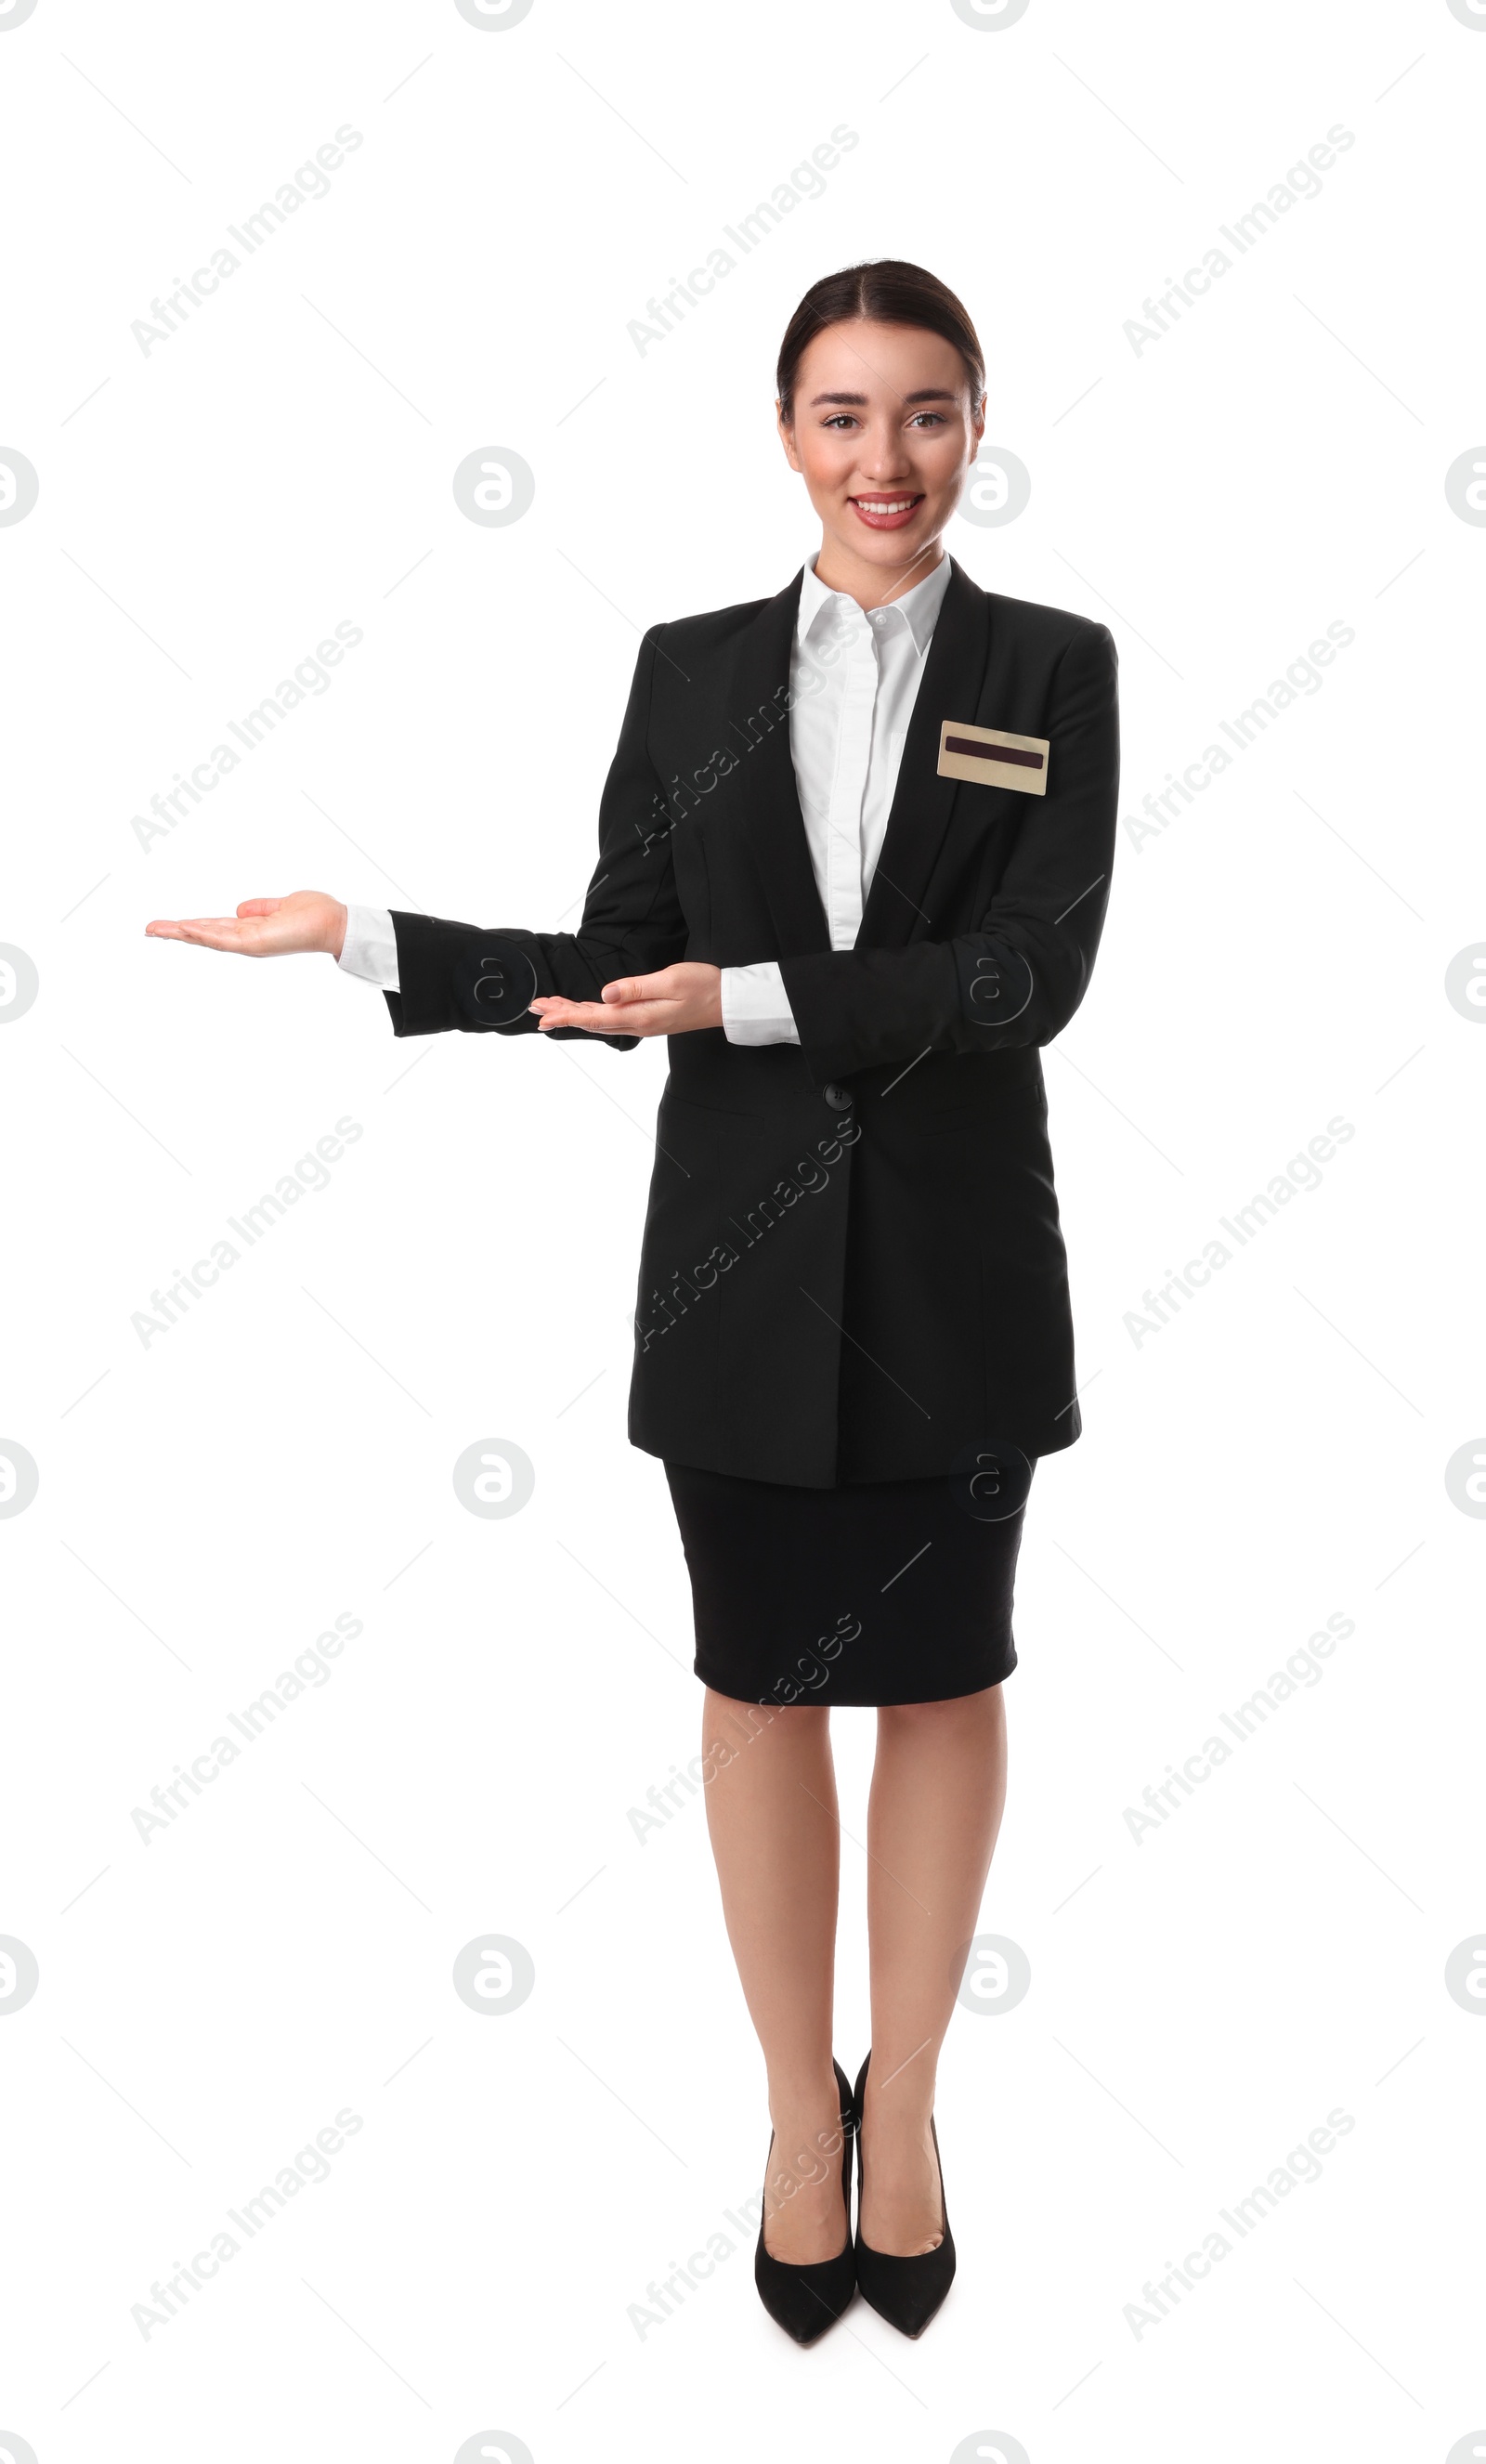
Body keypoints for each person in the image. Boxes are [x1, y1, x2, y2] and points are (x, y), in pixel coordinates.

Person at [147, 258, 1120, 2345]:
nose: (887, 457)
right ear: (785, 432)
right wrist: (369, 938)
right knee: (760, 1685)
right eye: (844, 414)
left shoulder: (1053, 666)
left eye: (928, 412)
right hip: (743, 1286)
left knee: (944, 1678)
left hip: (956, 1284)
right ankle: (795, 2115)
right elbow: (620, 971)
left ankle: (916, 2107)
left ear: (977, 426)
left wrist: (750, 1001)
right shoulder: (687, 674)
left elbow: (1023, 980)